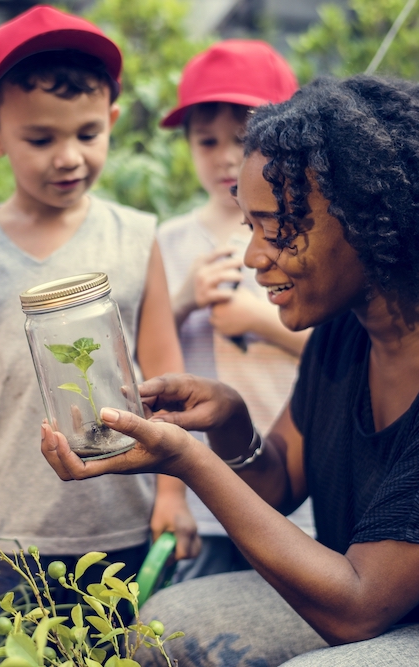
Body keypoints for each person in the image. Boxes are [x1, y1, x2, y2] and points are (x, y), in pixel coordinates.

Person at [42, 75, 419, 666]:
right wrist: (230, 425)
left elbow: (355, 608)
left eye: (279, 228)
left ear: (372, 220)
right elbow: (280, 483)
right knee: (163, 628)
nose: (253, 257)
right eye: (251, 226)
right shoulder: (352, 323)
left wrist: (185, 460)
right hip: (379, 604)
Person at [0, 4, 194, 603]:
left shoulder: (136, 236)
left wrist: (173, 494)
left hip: (126, 517)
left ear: (113, 121)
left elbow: (166, 375)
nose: (68, 156)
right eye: (41, 138)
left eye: (87, 133)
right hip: (6, 531)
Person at [156, 40, 315, 580]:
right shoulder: (169, 242)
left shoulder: (306, 239)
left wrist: (256, 322)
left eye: (243, 141)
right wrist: (184, 302)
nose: (225, 156)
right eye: (207, 141)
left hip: (297, 483)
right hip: (206, 496)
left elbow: (338, 350)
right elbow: (141, 350)